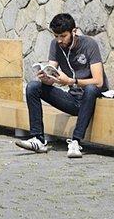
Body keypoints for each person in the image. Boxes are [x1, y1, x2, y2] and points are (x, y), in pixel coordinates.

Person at [14, 13, 108, 159]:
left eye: (63, 36)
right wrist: (46, 78)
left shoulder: (89, 45)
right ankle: (38, 139)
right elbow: (52, 73)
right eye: (56, 36)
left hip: (94, 99)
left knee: (91, 89)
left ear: (74, 31)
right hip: (73, 99)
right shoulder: (55, 45)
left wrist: (71, 81)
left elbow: (99, 81)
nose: (59, 40)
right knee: (33, 87)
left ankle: (76, 141)